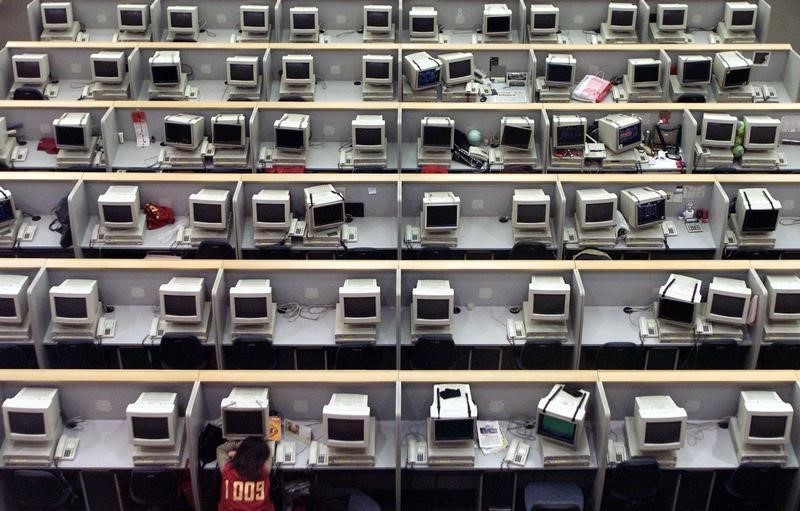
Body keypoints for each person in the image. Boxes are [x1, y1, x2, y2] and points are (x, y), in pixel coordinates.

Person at [217, 436, 275, 511]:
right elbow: (269, 450)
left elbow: (220, 449)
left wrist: (239, 444)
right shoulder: (265, 470)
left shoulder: (227, 470)